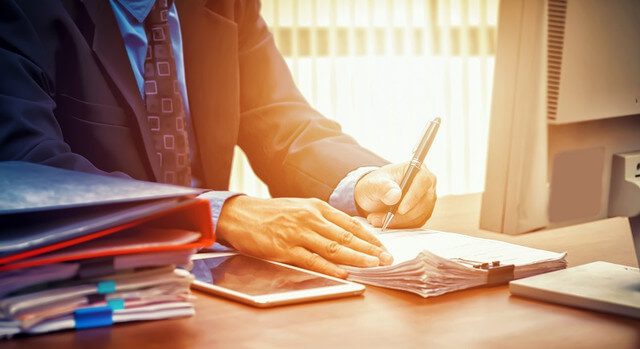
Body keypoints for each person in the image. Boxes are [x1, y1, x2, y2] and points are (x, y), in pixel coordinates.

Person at [0, 0, 437, 278]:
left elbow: (277, 115)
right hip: (85, 286)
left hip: (215, 282)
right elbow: (27, 170)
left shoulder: (228, 6)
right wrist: (216, 213)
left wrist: (363, 183)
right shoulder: (23, 10)